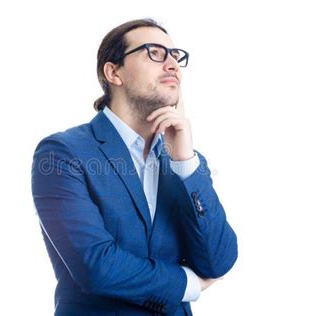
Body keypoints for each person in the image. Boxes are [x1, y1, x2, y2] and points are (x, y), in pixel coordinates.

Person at [31, 18, 238, 316]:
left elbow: (218, 260)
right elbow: (97, 266)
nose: (173, 65)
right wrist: (186, 284)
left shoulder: (186, 160)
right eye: (155, 52)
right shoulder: (63, 153)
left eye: (175, 56)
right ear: (114, 72)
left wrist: (186, 163)